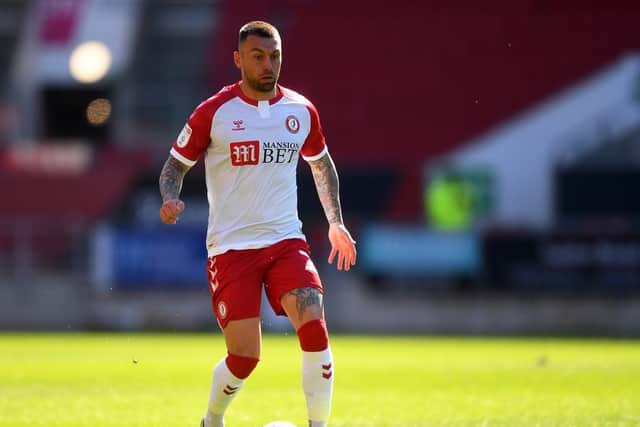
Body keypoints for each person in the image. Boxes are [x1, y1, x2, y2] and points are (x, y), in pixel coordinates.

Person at [158, 21, 356, 427]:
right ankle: (212, 418)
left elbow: (321, 164)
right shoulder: (213, 113)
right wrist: (169, 197)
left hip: (286, 241)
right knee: (245, 357)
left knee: (315, 325)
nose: (269, 65)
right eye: (258, 57)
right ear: (238, 60)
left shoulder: (300, 111)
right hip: (232, 249)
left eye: (275, 56)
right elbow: (174, 166)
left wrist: (335, 222)